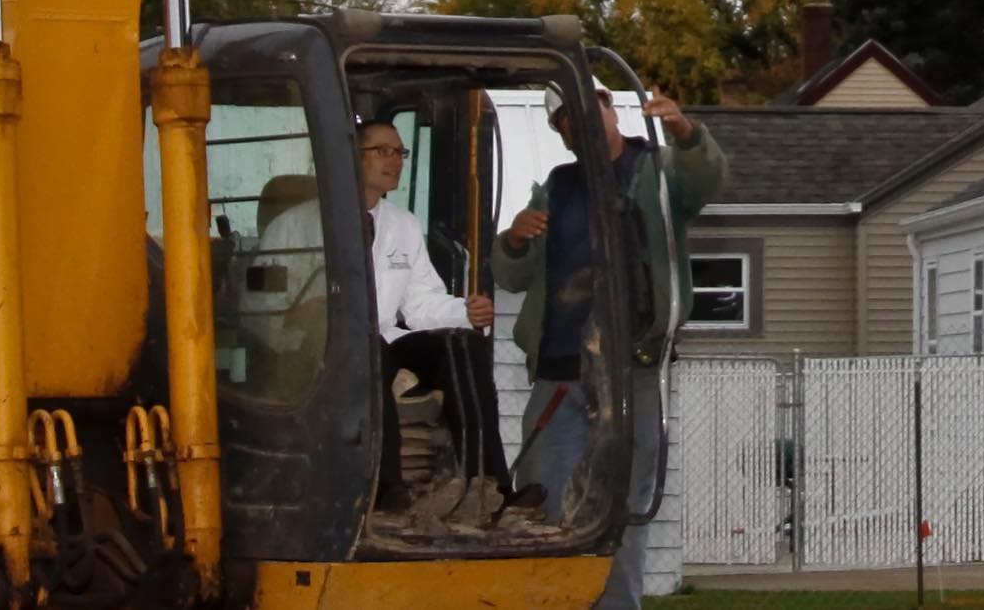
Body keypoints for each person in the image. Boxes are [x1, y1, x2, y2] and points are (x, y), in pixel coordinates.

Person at [491, 79, 726, 609]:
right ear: (563, 133)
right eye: (565, 118)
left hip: (631, 371)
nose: (580, 121)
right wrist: (513, 239)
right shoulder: (555, 187)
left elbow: (707, 177)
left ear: (610, 111)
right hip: (560, 373)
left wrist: (685, 131)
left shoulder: (660, 173)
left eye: (589, 107)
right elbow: (509, 275)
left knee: (620, 507)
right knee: (543, 499)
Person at [261, 120, 534, 516]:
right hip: (317, 350)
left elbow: (420, 303)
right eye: (383, 151)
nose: (395, 161)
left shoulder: (403, 225)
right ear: (351, 156)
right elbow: (267, 313)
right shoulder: (294, 226)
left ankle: (489, 487)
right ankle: (386, 487)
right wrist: (302, 318)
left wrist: (466, 312)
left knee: (462, 345)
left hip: (384, 340)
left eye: (400, 153)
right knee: (365, 347)